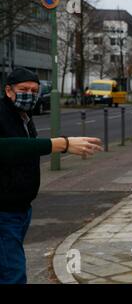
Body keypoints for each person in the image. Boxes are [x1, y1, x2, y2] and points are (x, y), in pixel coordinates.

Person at [0, 67, 103, 284]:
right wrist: (60, 144)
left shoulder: (24, 116)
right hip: (4, 211)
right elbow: (6, 148)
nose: (29, 94)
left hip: (20, 209)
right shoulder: (2, 114)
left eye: (34, 90)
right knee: (13, 274)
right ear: (8, 91)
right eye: (23, 89)